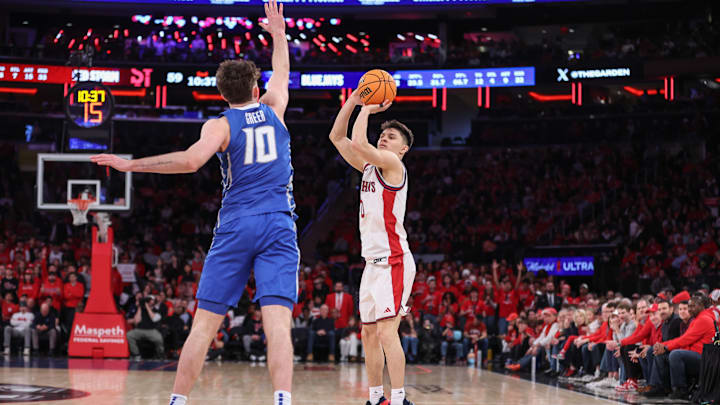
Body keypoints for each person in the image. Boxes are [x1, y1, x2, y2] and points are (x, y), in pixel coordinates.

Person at [90, 2, 296, 405]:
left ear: (221, 93)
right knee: (279, 326)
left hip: (237, 224)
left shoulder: (219, 125)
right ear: (257, 90)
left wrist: (131, 165)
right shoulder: (275, 107)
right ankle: (282, 400)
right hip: (278, 223)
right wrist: (278, 33)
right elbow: (283, 69)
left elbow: (189, 161)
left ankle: (177, 401)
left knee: (203, 325)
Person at [329, 85, 416, 405]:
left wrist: (367, 110)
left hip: (394, 260)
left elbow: (361, 143)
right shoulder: (369, 167)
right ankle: (376, 397)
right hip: (371, 264)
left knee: (386, 333)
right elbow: (338, 138)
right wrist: (352, 101)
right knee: (367, 333)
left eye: (392, 137)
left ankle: (399, 399)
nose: (385, 138)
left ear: (403, 149)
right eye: (385, 134)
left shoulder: (395, 166)